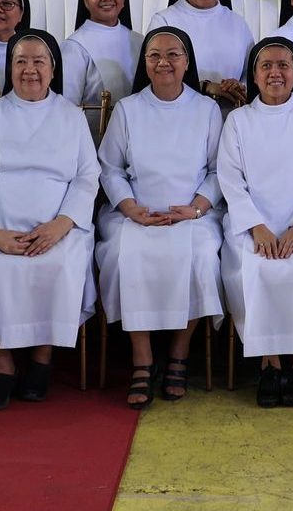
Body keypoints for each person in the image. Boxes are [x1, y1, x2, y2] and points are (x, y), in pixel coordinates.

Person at [0, 29, 101, 411]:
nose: (29, 70)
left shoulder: (71, 116)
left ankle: (41, 357)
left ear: (53, 69)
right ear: (10, 68)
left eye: (39, 61)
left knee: (61, 263)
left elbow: (88, 176)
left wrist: (62, 224)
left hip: (58, 224)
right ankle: (2, 363)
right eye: (21, 61)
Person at [97, 27, 226, 408]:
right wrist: (129, 207)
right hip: (136, 213)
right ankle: (142, 358)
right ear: (145, 63)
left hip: (193, 215)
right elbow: (110, 168)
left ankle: (179, 355)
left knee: (200, 257)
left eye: (173, 55)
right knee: (125, 255)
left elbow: (221, 170)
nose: (163, 62)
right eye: (154, 55)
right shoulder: (128, 108)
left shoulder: (206, 109)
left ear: (187, 63)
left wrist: (198, 208)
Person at [218, 38, 293, 407]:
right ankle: (269, 363)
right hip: (252, 225)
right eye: (266, 66)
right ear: (254, 76)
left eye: (283, 65)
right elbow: (230, 179)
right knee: (257, 268)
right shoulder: (239, 121)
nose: (275, 72)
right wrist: (256, 227)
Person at [146, 0, 256, 103]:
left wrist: (238, 86)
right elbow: (156, 72)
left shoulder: (237, 22)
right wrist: (205, 87)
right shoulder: (164, 21)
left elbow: (250, 72)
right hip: (181, 111)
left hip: (230, 112)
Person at [62, 0, 141, 111]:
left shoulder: (139, 41)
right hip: (91, 132)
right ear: (85, 0)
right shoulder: (74, 46)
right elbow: (68, 106)